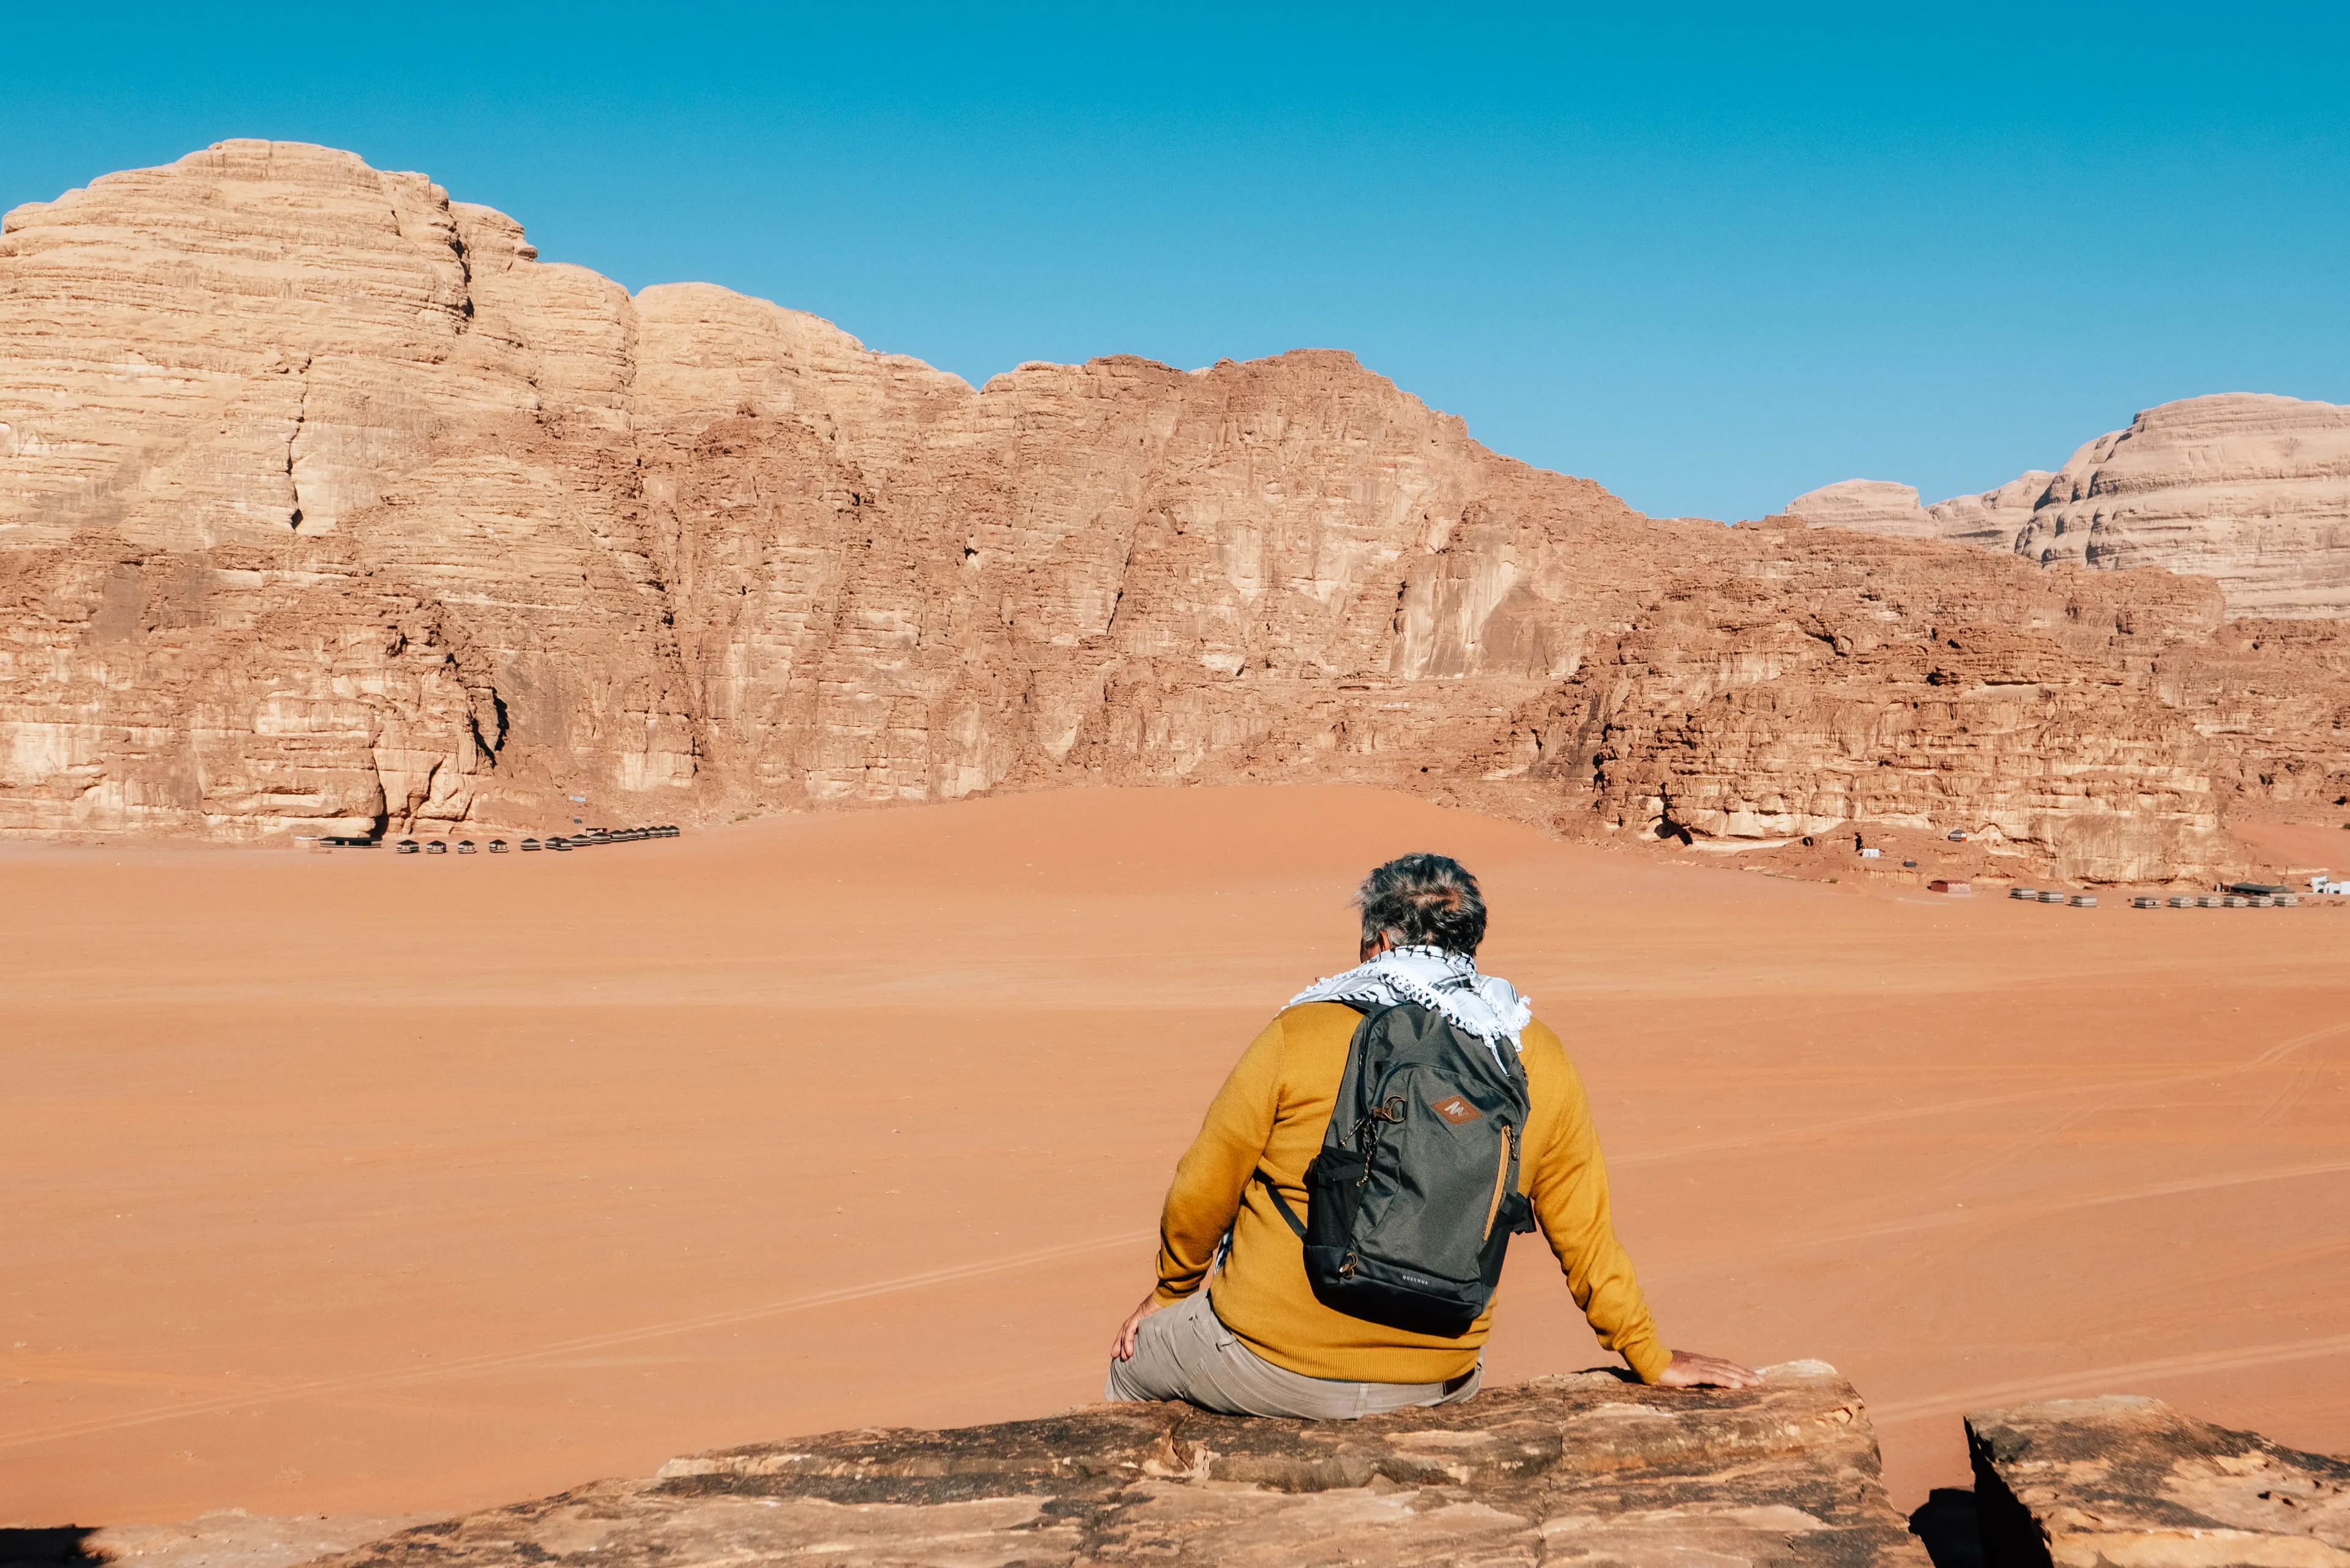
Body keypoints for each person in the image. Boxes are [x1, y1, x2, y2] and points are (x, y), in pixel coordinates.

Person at [1106, 852, 1757, 1417]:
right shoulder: (1533, 1052)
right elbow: (1583, 1230)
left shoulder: (1301, 1032)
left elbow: (1202, 1188)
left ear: (1381, 945)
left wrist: (1168, 1294)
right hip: (1435, 1380)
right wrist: (1647, 1354)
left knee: (1130, 1367)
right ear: (1469, 944)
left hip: (1265, 1361)